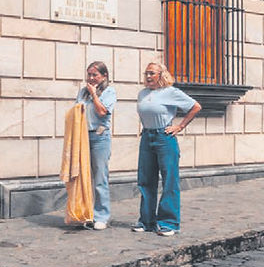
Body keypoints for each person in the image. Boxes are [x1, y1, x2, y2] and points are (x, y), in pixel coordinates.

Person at [133, 62, 202, 236]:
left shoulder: (170, 92)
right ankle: (147, 221)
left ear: (161, 75)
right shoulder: (143, 93)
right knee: (145, 180)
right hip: (147, 137)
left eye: (152, 73)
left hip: (164, 137)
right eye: (146, 73)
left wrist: (180, 126)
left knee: (169, 179)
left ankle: (169, 223)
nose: (148, 77)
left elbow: (195, 106)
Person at [76, 61, 117, 230]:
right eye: (89, 75)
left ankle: (102, 215)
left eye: (95, 75)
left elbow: (102, 112)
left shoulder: (109, 92)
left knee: (100, 177)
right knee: (83, 177)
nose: (91, 78)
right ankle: (86, 213)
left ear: (104, 76)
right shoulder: (82, 92)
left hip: (100, 137)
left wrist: (94, 94)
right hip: (83, 136)